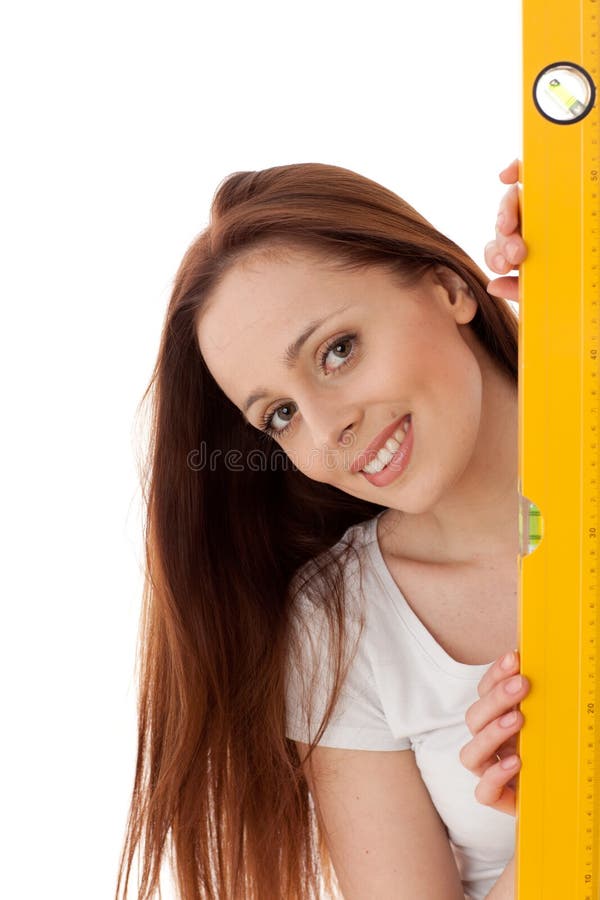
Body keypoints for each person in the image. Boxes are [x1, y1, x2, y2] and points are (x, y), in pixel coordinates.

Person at [116, 160, 530, 900]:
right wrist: (563, 814)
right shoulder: (340, 625)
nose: (326, 428)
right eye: (279, 414)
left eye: (337, 351)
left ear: (449, 288)